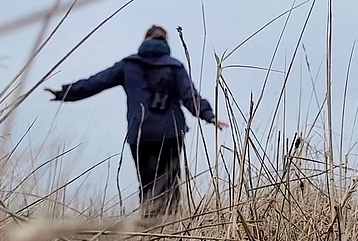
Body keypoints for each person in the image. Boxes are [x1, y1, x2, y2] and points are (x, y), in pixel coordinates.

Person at [44, 25, 228, 215]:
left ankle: (150, 228)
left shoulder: (128, 65)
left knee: (147, 183)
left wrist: (64, 92)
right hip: (171, 132)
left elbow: (96, 82)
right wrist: (209, 116)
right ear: (166, 42)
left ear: (145, 39)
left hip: (141, 133)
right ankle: (172, 228)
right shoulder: (174, 66)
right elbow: (190, 96)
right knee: (170, 181)